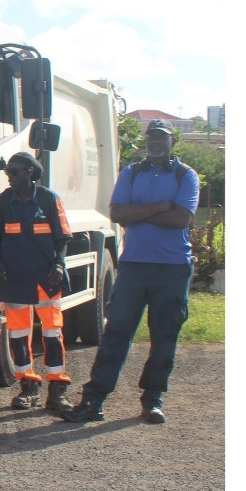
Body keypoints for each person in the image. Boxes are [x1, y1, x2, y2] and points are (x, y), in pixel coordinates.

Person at [63, 119, 199, 424]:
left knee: (164, 337)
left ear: (171, 142)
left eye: (161, 138)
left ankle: (152, 400)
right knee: (116, 334)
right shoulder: (131, 172)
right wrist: (160, 206)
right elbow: (118, 214)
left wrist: (139, 213)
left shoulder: (186, 175)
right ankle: (93, 401)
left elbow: (180, 220)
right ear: (146, 142)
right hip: (134, 266)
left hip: (173, 268)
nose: (156, 143)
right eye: (151, 138)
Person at [0, 151, 74, 412]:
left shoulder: (49, 199)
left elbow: (62, 238)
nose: (9, 177)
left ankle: (57, 389)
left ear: (30, 173)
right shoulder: (1, 203)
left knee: (52, 332)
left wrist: (59, 264)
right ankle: (28, 387)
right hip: (14, 278)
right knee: (18, 333)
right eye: (8, 172)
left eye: (14, 172)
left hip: (46, 277)